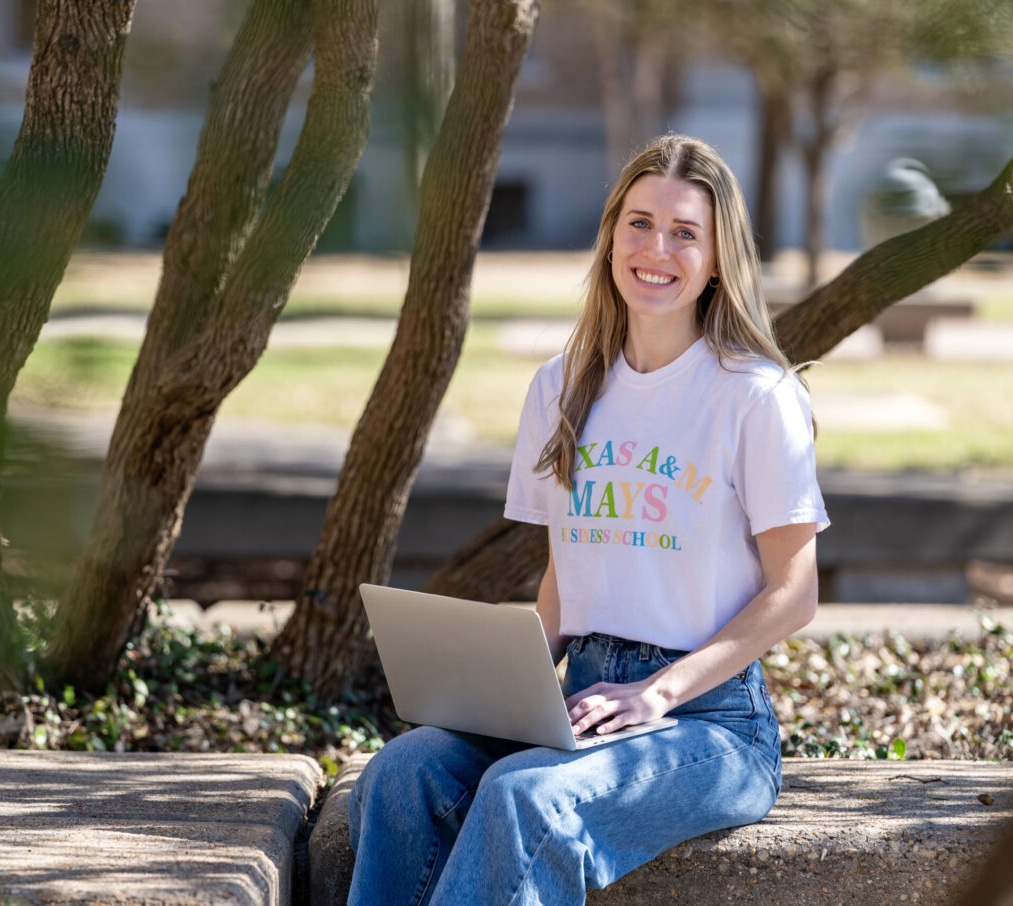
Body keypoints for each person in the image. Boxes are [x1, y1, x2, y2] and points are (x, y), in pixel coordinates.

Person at [346, 134, 830, 906]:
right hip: (585, 696)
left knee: (526, 796)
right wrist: (502, 683)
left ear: (716, 259)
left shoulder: (754, 395)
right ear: (610, 236)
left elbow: (793, 593)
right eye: (638, 222)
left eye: (685, 232)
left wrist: (660, 694)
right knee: (403, 773)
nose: (656, 249)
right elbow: (570, 575)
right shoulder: (562, 386)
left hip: (710, 723)